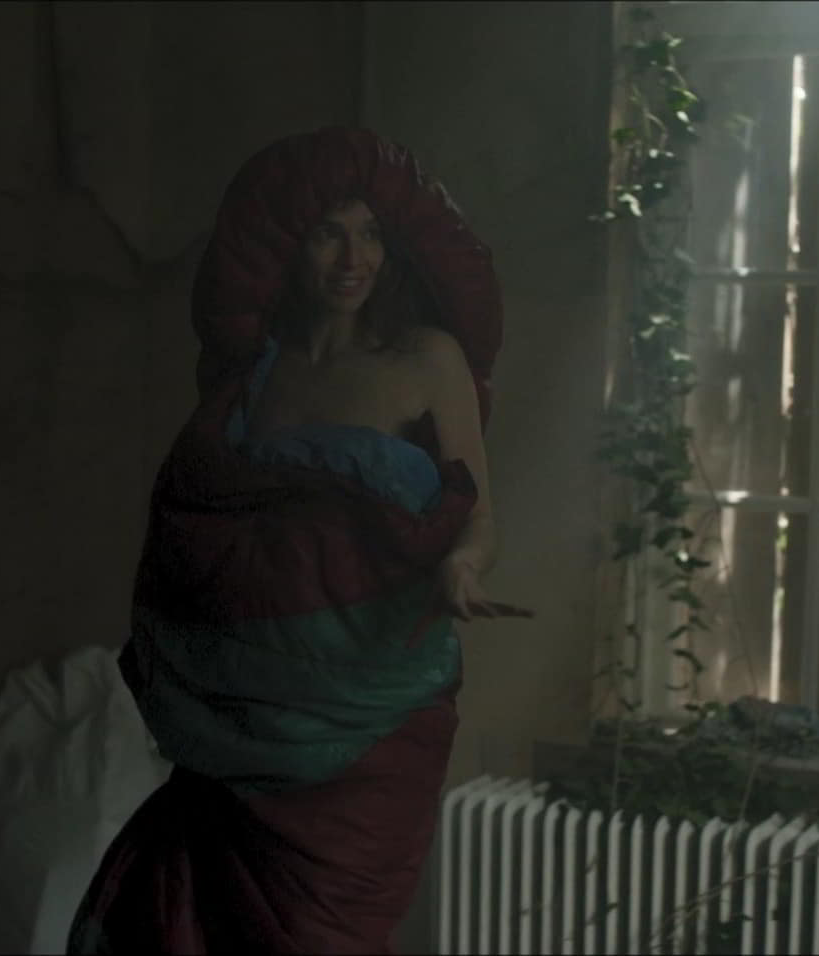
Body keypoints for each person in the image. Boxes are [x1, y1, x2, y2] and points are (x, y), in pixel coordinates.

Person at [67, 126, 529, 954]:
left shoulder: (427, 359)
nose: (354, 259)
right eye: (328, 234)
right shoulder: (255, 377)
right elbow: (195, 526)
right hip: (242, 730)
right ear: (288, 245)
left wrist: (462, 565)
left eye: (371, 234)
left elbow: (480, 517)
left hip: (372, 725)